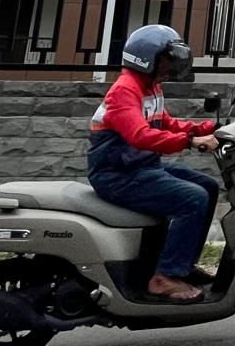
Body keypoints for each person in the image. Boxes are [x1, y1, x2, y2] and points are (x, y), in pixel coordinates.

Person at [87, 24, 221, 303]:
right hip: (117, 174)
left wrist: (206, 128)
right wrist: (190, 142)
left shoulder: (151, 87)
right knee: (193, 198)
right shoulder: (125, 90)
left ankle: (182, 264)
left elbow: (166, 123)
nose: (172, 66)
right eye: (167, 59)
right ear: (146, 58)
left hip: (141, 167)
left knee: (207, 186)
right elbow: (140, 136)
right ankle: (165, 277)